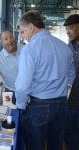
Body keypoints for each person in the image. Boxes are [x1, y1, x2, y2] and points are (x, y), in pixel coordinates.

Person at [15, 10, 75, 150]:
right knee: (56, 145)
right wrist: (63, 92)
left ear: (31, 27)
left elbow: (22, 86)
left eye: (23, 32)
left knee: (35, 145)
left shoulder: (29, 49)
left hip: (38, 105)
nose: (23, 37)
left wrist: (21, 105)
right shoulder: (64, 47)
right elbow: (72, 75)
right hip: (61, 104)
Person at [63, 14, 79, 150]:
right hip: (71, 100)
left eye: (72, 28)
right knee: (69, 134)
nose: (68, 31)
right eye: (67, 29)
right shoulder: (68, 48)